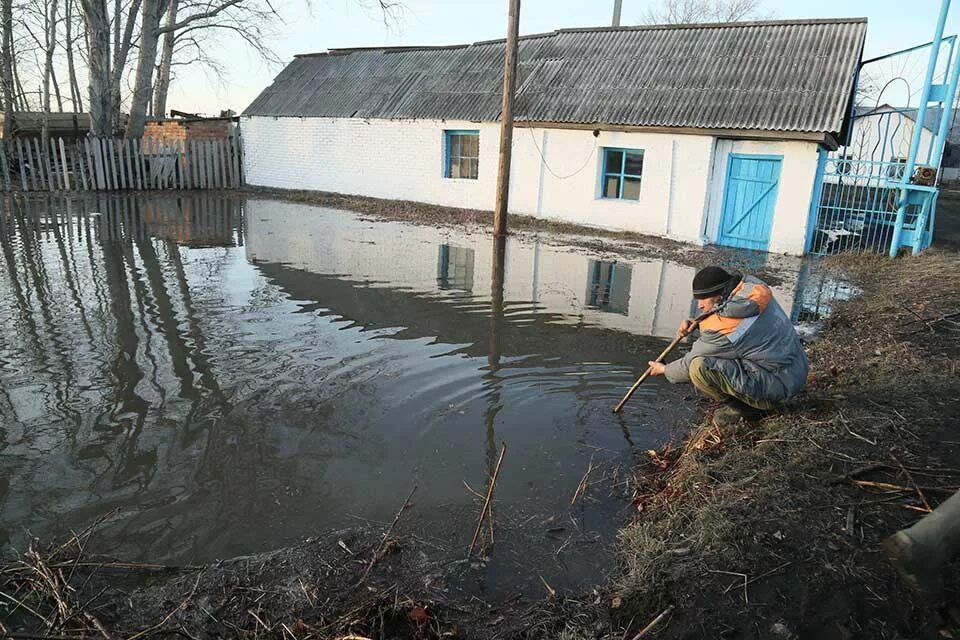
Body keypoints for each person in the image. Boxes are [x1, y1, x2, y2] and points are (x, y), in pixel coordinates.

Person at [646, 266, 809, 426]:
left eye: (703, 299)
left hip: (779, 386)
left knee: (699, 368)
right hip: (796, 369)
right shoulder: (752, 292)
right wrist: (698, 322)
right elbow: (730, 318)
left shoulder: (724, 329)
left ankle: (746, 409)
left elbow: (688, 364)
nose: (700, 305)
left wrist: (664, 370)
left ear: (718, 295)